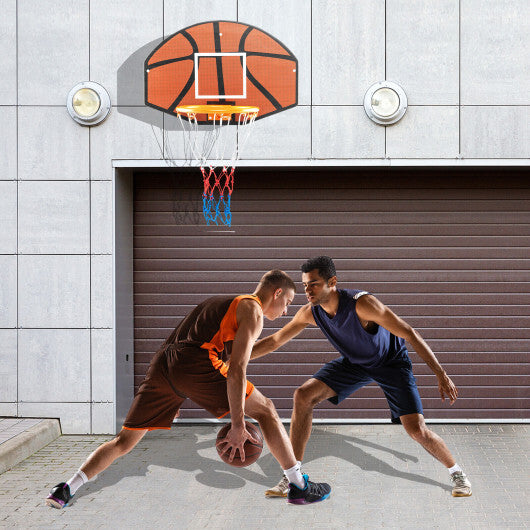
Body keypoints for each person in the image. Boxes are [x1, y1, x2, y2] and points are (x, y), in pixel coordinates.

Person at [45, 270, 331, 509]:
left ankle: (66, 488)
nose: (286, 311)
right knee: (266, 409)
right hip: (194, 364)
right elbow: (237, 370)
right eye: (288, 303)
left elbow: (238, 354)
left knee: (124, 442)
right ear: (277, 293)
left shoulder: (226, 305)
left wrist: (180, 388)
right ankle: (298, 486)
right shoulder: (252, 309)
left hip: (164, 366)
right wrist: (237, 423)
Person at [251, 257, 472, 498]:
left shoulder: (363, 304)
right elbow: (274, 341)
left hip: (391, 364)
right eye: (304, 285)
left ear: (332, 282)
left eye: (313, 284)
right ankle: (292, 476)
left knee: (417, 430)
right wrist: (235, 359)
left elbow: (410, 332)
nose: (307, 290)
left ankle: (457, 473)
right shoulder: (311, 313)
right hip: (356, 364)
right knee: (303, 395)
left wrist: (441, 373)